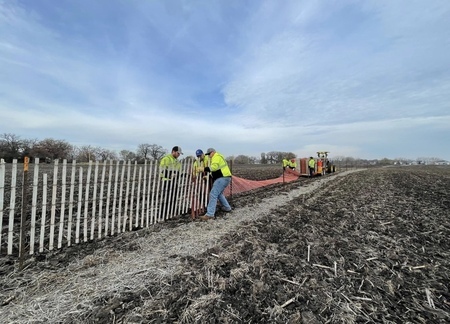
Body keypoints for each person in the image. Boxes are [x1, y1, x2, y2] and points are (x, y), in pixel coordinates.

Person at [197, 148, 232, 221]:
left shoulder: (216, 157)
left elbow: (214, 167)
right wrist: (209, 176)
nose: (209, 156)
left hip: (222, 178)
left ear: (213, 152)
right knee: (219, 194)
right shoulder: (218, 156)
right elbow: (217, 170)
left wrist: (203, 169)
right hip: (225, 177)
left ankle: (210, 214)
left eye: (209, 154)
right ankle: (227, 207)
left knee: (213, 194)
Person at [159, 146, 183, 217]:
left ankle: (171, 212)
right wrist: (170, 175)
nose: (179, 155)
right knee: (166, 198)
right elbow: (162, 170)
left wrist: (180, 174)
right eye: (178, 153)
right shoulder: (166, 159)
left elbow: (179, 171)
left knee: (174, 197)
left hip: (174, 181)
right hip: (166, 181)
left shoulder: (177, 161)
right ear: (173, 151)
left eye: (179, 154)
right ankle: (163, 214)